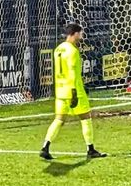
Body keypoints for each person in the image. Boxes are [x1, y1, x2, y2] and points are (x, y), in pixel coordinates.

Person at [40, 23, 106, 160]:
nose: (81, 36)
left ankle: (45, 147)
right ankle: (91, 149)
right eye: (80, 33)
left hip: (60, 90)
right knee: (86, 117)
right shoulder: (72, 51)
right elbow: (71, 72)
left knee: (59, 119)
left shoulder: (58, 49)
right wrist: (74, 91)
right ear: (74, 33)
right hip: (73, 89)